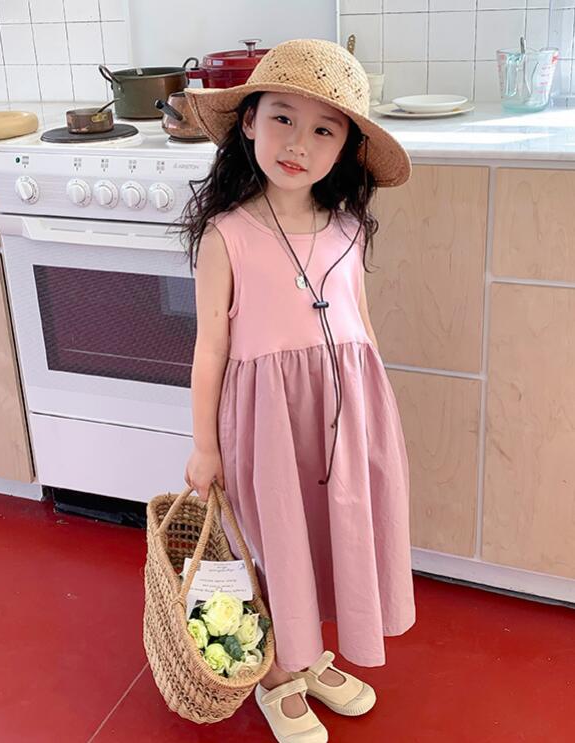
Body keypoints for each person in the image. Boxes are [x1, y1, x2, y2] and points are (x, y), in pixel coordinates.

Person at [181, 38, 416, 742]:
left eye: (323, 130)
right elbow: (210, 348)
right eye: (282, 118)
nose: (298, 144)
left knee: (332, 537)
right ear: (249, 121)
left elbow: (360, 328)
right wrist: (204, 446)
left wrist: (376, 420)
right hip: (270, 422)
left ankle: (309, 656)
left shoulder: (347, 228)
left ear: (344, 150)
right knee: (279, 541)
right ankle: (278, 673)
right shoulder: (228, 235)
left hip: (347, 418)